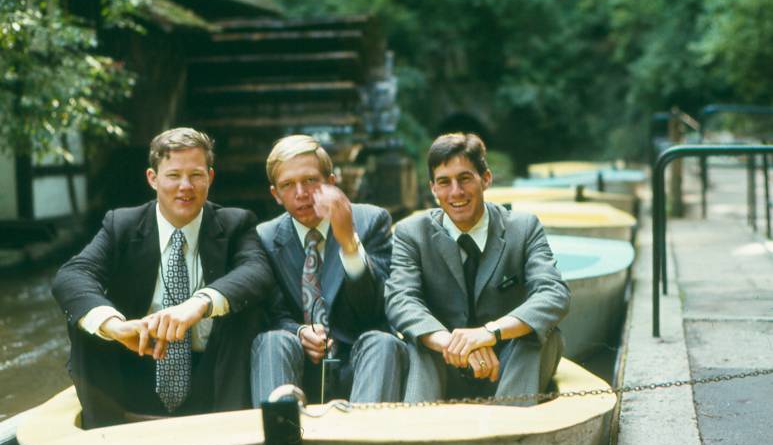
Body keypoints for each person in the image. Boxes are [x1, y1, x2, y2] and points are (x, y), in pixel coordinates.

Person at [52, 127, 273, 428]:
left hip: (215, 380)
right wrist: (115, 326)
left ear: (210, 177)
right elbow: (72, 274)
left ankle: (230, 432)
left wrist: (198, 305)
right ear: (152, 179)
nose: (186, 186)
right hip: (137, 371)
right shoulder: (121, 225)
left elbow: (258, 271)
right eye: (173, 175)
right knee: (88, 320)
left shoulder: (236, 223)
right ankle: (104, 432)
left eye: (196, 175)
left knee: (247, 311)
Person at [385, 132, 569, 403]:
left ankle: (510, 421)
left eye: (465, 178)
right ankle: (421, 423)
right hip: (444, 363)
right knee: (420, 339)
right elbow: (401, 300)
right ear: (433, 189)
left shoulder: (523, 227)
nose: (456, 192)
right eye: (444, 182)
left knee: (541, 334)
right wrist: (455, 344)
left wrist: (489, 334)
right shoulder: (411, 233)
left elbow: (554, 294)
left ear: (486, 179)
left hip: (509, 366)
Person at [250, 135, 407, 405]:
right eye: (288, 185)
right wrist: (300, 332)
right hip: (298, 364)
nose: (301, 193)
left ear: (331, 183)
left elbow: (376, 310)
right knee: (271, 341)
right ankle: (280, 428)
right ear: (275, 195)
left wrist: (349, 243)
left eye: (310, 180)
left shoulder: (371, 221)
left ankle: (367, 433)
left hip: (361, 363)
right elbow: (272, 314)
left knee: (383, 342)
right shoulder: (264, 237)